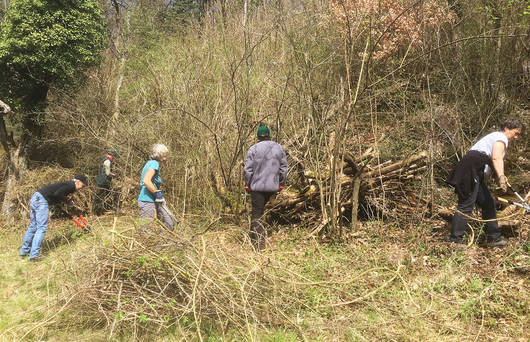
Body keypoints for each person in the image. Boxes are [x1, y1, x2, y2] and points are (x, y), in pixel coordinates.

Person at [446, 118, 524, 248]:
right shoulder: (500, 137)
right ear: (506, 128)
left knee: (488, 203)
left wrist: (496, 175)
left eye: (518, 135)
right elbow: (496, 157)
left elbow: (491, 160)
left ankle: (493, 238)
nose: (516, 137)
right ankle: (454, 241)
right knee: (466, 205)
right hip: (471, 170)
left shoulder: (494, 138)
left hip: (475, 171)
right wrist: (501, 176)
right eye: (515, 133)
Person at [20, 175, 88, 261]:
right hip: (41, 201)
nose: (82, 188)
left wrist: (65, 200)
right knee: (41, 227)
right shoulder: (71, 185)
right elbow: (58, 194)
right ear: (78, 182)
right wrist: (66, 200)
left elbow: (56, 194)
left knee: (33, 226)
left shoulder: (67, 184)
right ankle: (34, 255)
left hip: (35, 197)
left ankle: (24, 252)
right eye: (83, 186)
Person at [244, 125, 288, 251]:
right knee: (268, 212)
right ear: (269, 135)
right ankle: (268, 239)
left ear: (258, 136)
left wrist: (248, 185)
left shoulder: (253, 149)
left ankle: (258, 244)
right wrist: (281, 184)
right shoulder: (278, 147)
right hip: (273, 187)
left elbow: (248, 170)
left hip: (257, 188)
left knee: (257, 214)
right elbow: (284, 168)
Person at [138, 143, 174, 229]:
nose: (167, 155)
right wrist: (157, 194)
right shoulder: (154, 164)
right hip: (147, 201)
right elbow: (146, 181)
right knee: (147, 229)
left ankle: (162, 241)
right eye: (165, 153)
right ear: (160, 154)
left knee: (169, 222)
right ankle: (147, 242)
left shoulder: (150, 163)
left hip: (154, 200)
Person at [94, 148, 120, 215]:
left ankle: (100, 211)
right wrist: (115, 175)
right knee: (101, 197)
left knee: (101, 196)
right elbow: (108, 173)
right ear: (112, 155)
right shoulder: (107, 161)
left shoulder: (104, 160)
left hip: (101, 181)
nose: (114, 158)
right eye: (114, 156)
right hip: (104, 182)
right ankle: (98, 212)